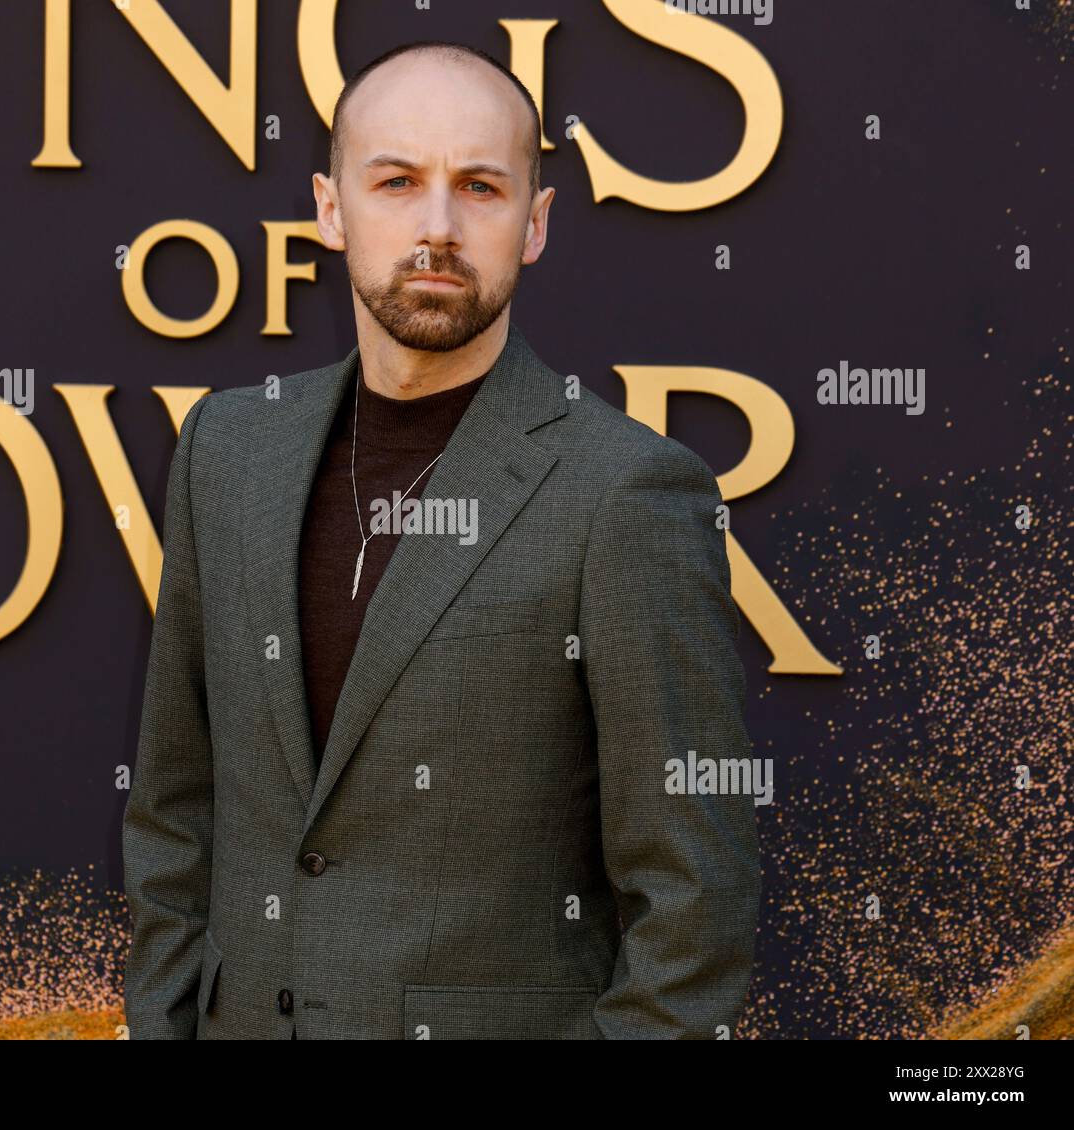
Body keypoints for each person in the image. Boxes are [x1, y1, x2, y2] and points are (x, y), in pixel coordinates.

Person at [122, 39, 760, 1040]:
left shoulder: (627, 489)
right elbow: (173, 803)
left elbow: (693, 900)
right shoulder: (226, 450)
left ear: (534, 225)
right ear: (331, 209)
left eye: (479, 187)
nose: (436, 227)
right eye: (396, 181)